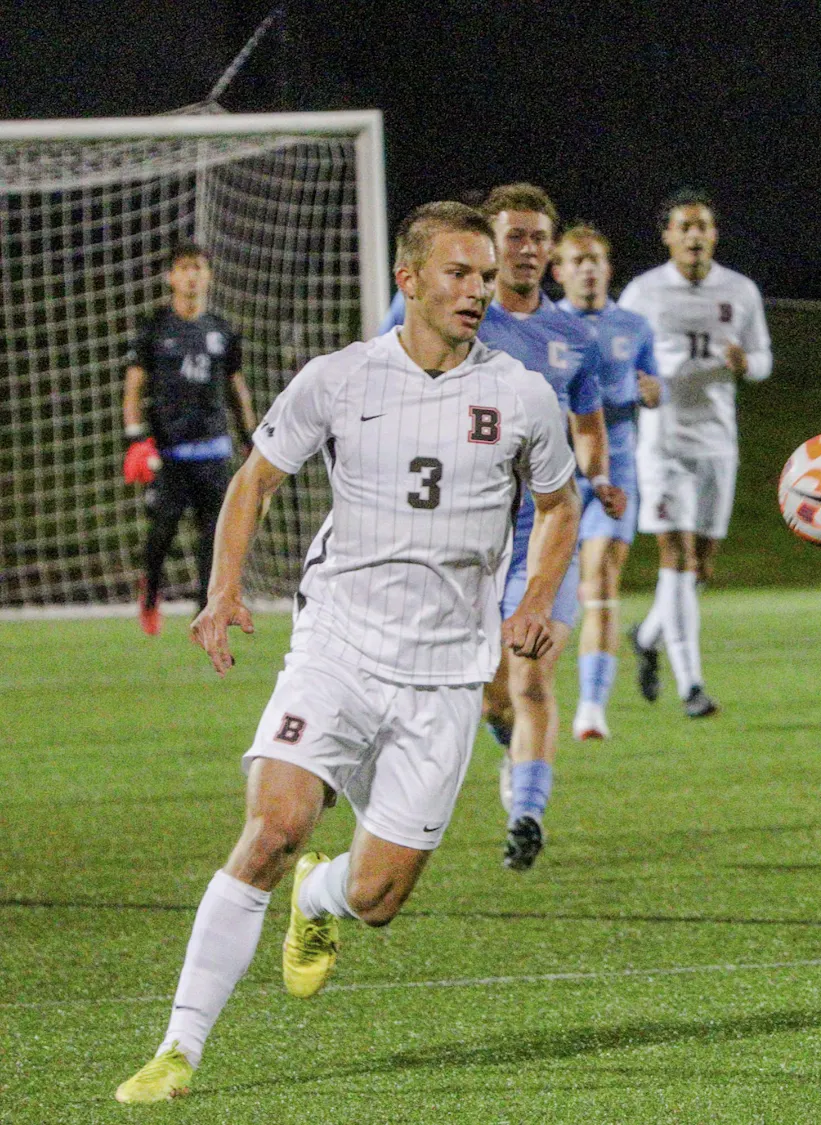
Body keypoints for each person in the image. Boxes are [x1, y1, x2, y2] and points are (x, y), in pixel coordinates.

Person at [112, 202, 580, 1104]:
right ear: (408, 279)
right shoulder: (338, 378)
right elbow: (255, 479)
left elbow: (559, 506)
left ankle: (320, 898)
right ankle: (178, 1046)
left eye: (486, 276)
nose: (479, 290)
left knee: (378, 898)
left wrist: (532, 601)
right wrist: (222, 589)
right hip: (338, 645)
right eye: (459, 272)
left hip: (446, 672)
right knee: (274, 828)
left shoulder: (520, 394)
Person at [381, 183, 623, 870]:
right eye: (512, 235)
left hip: (542, 535)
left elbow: (588, 426)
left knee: (533, 674)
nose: (525, 248)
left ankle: (527, 815)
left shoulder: (574, 337)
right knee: (492, 694)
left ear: (550, 252)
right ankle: (514, 755)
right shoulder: (452, 314)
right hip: (464, 535)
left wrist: (597, 475)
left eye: (537, 237)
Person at [620, 189, 772, 717]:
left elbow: (764, 358)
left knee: (701, 569)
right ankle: (692, 687)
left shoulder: (741, 291)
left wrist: (744, 364)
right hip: (662, 444)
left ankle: (647, 634)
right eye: (684, 226)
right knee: (677, 559)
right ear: (667, 235)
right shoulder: (642, 293)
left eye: (702, 226)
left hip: (717, 442)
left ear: (714, 235)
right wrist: (636, 384)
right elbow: (616, 356)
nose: (693, 235)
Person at [553, 223, 661, 740]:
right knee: (549, 587)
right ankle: (525, 695)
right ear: (560, 272)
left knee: (599, 580)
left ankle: (591, 708)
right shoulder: (546, 326)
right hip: (554, 475)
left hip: (615, 474)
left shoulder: (635, 326)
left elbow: (654, 384)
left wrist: (651, 390)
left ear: (609, 268)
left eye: (596, 259)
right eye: (577, 261)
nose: (588, 269)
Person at [122, 243, 256, 633]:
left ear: (208, 275)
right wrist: (136, 439)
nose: (192, 275)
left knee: (212, 537)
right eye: (184, 268)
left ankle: (205, 610)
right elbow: (133, 387)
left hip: (214, 448)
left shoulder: (222, 331)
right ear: (171, 277)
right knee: (161, 531)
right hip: (169, 452)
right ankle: (150, 594)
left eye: (198, 267)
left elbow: (237, 386)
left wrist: (250, 435)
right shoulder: (154, 329)